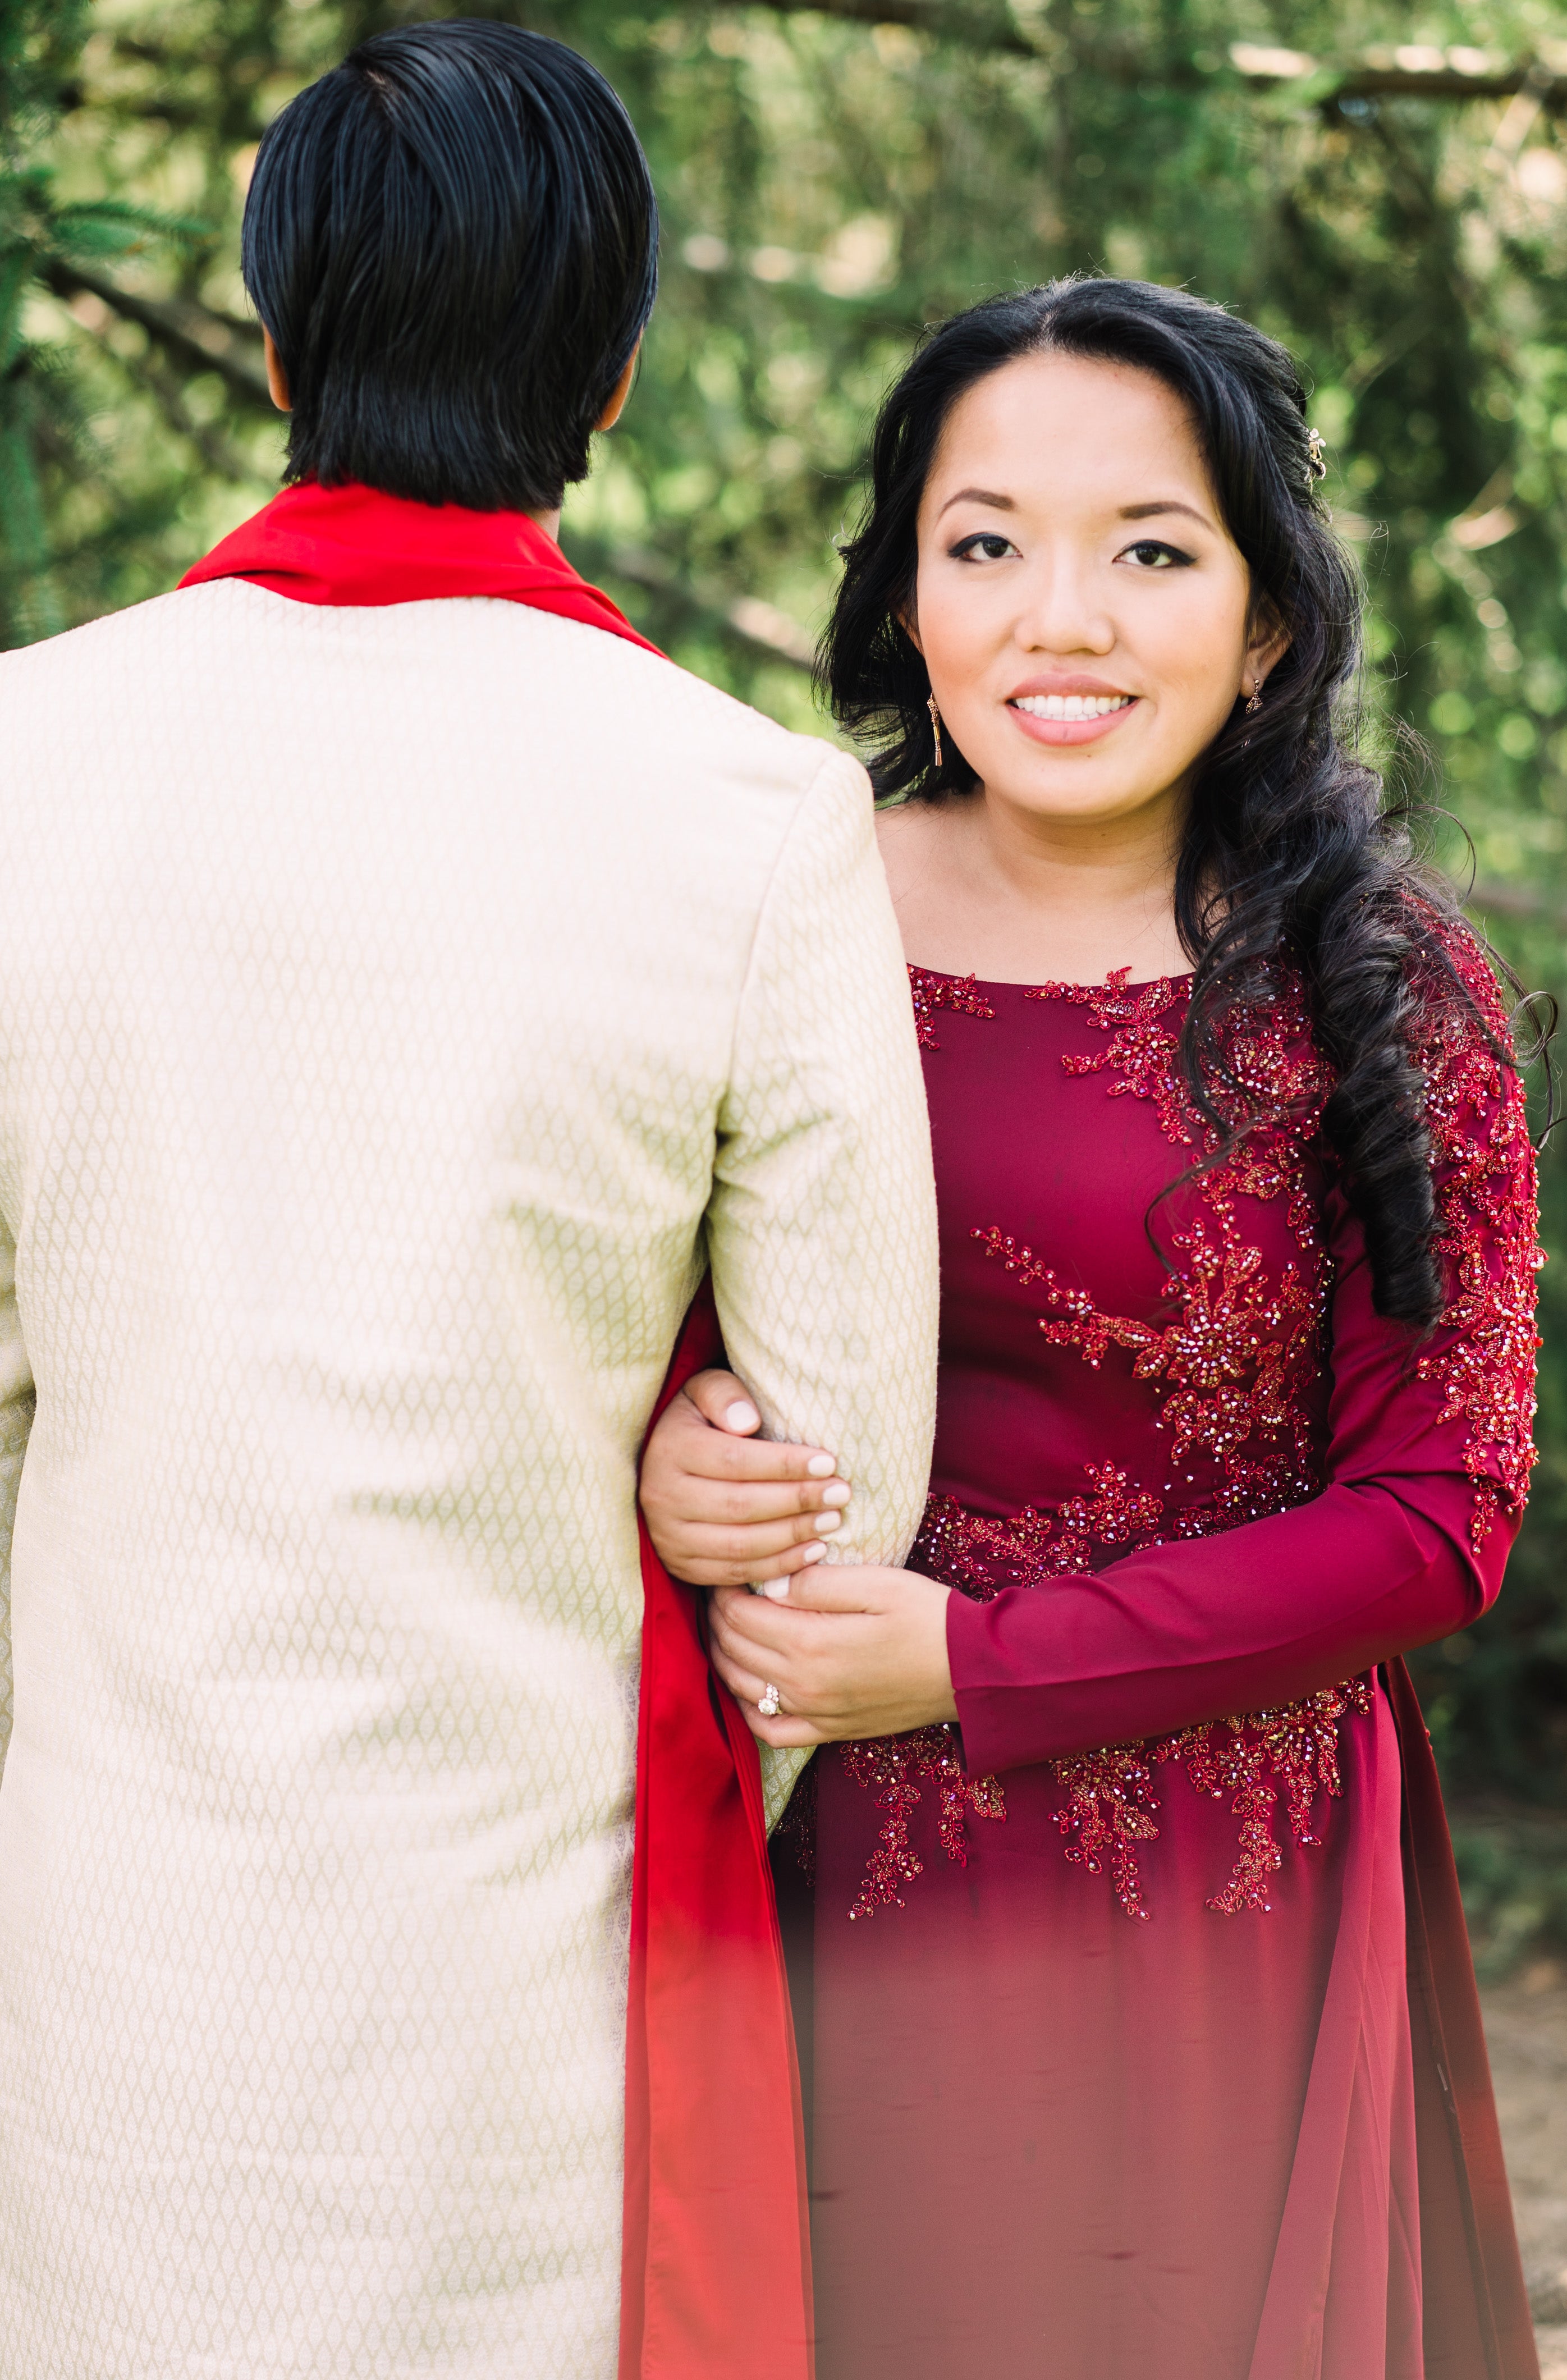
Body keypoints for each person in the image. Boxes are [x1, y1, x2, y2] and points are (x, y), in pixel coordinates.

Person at [0, 22, 939, 2377]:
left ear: (280, 329)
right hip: (525, 1982)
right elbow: (842, 1493)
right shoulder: (745, 815)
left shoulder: (26, 753)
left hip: (101, 1974)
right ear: (614, 364)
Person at [640, 277, 1545, 2380]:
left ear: (1267, 623)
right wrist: (672, 1444)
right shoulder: (776, 921)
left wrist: (971, 1658)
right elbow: (588, 1307)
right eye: (988, 544)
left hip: (1224, 1886)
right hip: (802, 1843)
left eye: (1151, 548)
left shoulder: (1378, 989)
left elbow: (1440, 1516)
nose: (1065, 616)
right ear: (905, 604)